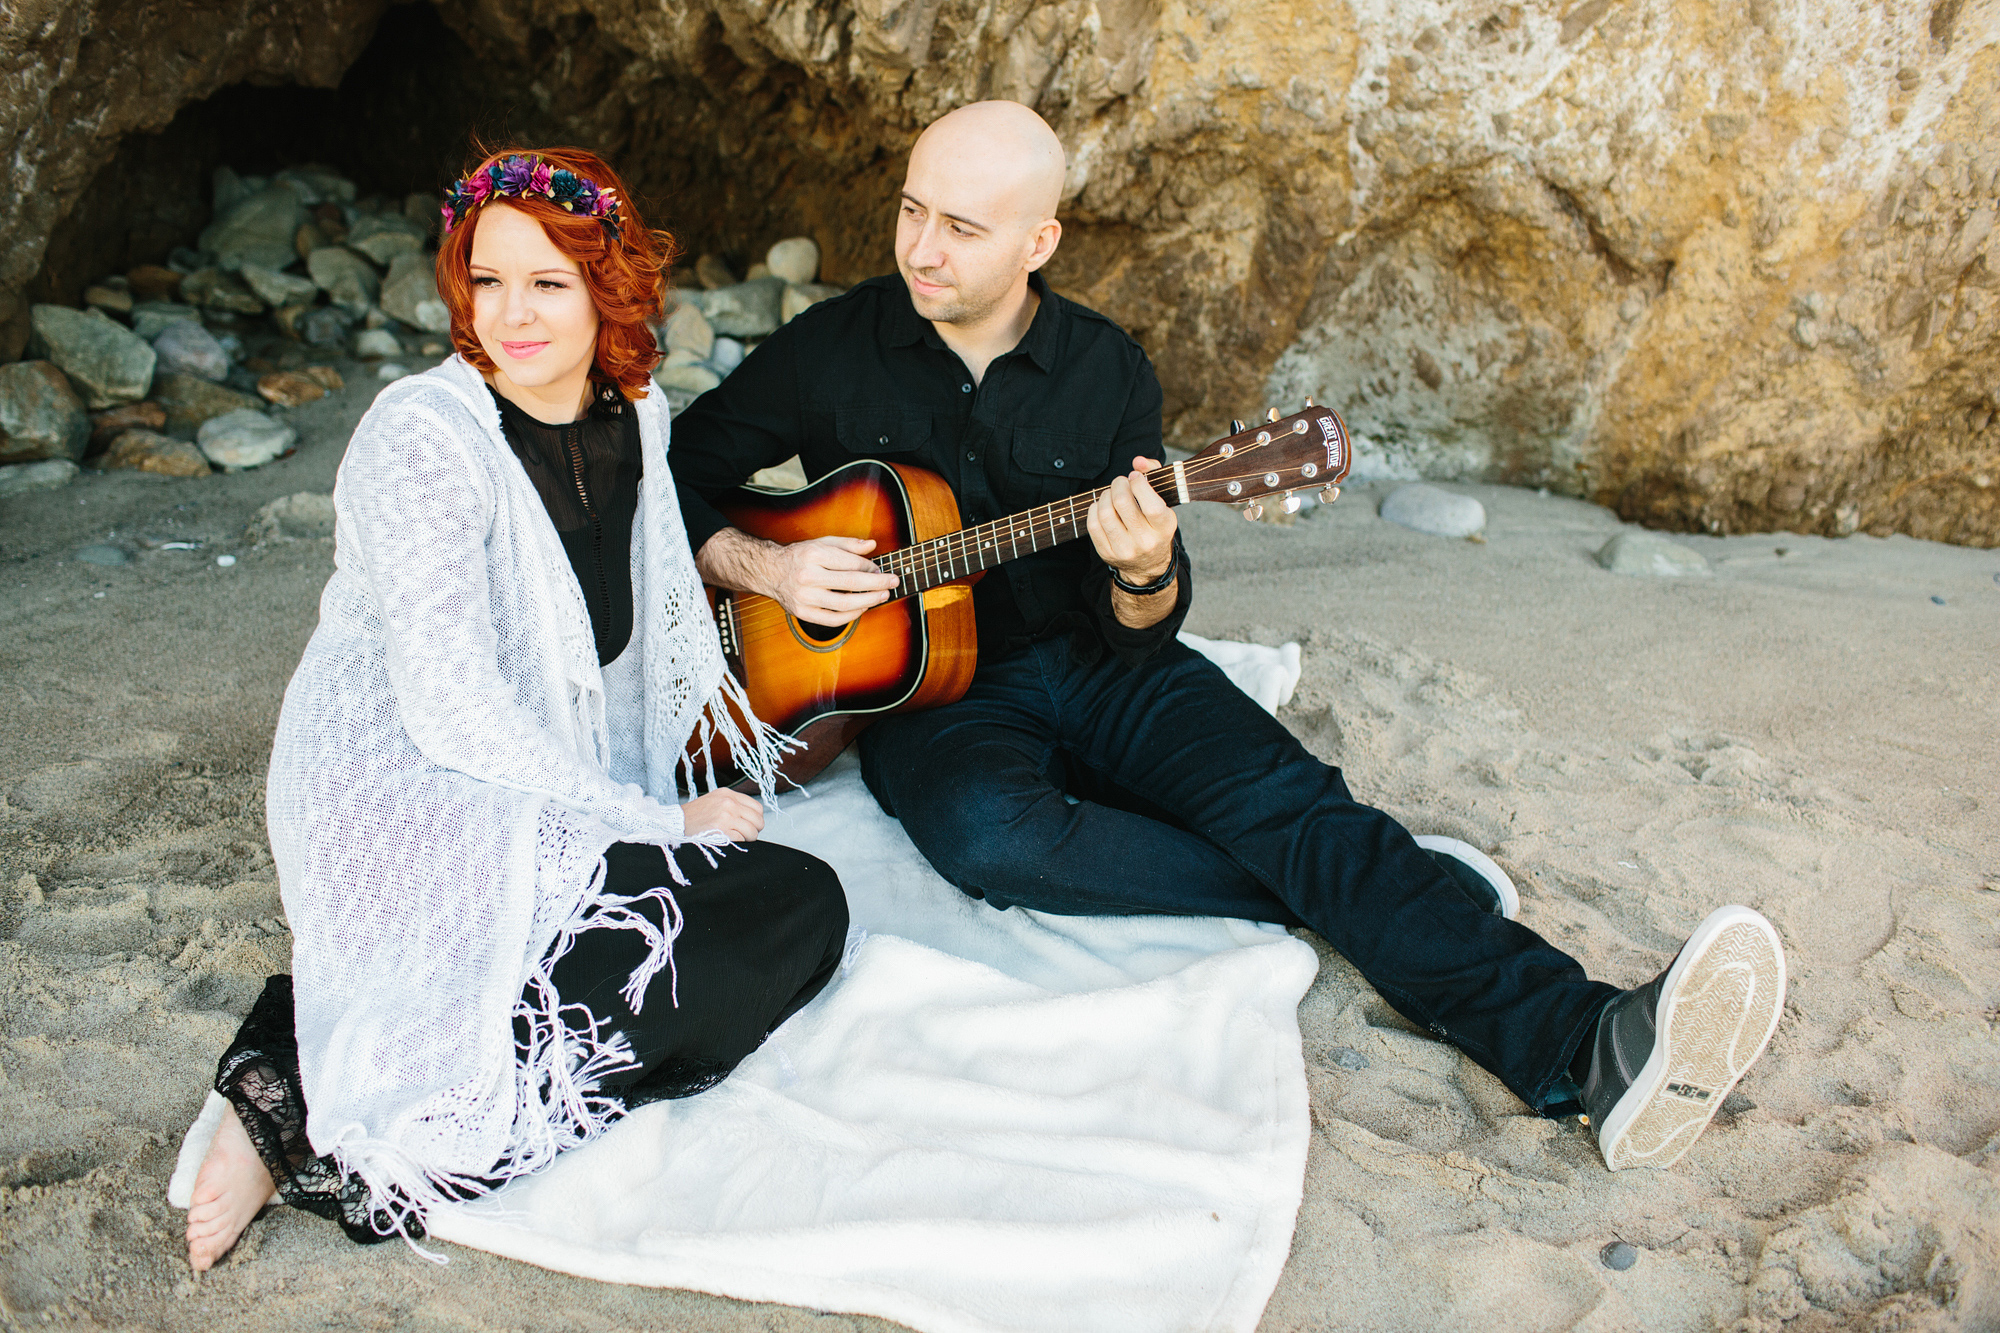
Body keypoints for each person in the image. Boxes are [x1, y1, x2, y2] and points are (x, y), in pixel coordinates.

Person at [668, 102, 1786, 1175]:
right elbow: (678, 469)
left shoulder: (1105, 370)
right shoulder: (832, 347)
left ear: (1037, 239)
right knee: (987, 838)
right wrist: (766, 566)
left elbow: (1146, 617)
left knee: (1289, 806)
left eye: (960, 227)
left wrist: (1145, 567)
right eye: (912, 211)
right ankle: (1351, 890)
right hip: (930, 688)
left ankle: (1591, 1047)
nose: (921, 247)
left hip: (1103, 660)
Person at [183, 146, 849, 1271]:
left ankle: (415, 1046)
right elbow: (448, 710)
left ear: (609, 286)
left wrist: (660, 790)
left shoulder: (636, 413)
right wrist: (650, 824)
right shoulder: (422, 440)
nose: (512, 315)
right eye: (487, 281)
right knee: (692, 916)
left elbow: (640, 634)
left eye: (547, 282)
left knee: (799, 910)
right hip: (401, 782)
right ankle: (297, 1080)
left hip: (546, 771)